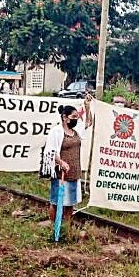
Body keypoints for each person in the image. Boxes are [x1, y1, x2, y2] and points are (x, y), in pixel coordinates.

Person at [42, 95, 94, 226]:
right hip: (61, 173)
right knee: (57, 202)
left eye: (77, 117)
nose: (76, 120)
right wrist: (61, 162)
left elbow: (88, 122)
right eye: (74, 117)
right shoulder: (56, 132)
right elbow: (50, 152)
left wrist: (87, 106)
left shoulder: (75, 130)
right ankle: (54, 225)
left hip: (74, 172)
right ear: (65, 118)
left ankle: (67, 227)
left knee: (70, 202)